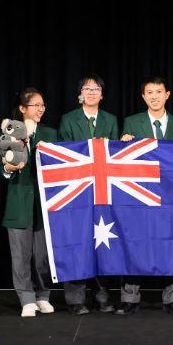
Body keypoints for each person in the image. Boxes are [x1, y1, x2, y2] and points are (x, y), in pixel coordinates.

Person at [116, 76, 173, 316]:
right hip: (140, 195)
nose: (154, 96)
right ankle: (129, 298)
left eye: (158, 91)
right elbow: (121, 162)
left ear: (167, 95)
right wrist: (123, 144)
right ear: (143, 97)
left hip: (171, 197)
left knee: (172, 243)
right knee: (134, 243)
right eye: (149, 92)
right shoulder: (131, 123)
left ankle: (172, 298)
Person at [58, 73, 119, 315]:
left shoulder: (111, 120)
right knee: (77, 241)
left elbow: (115, 153)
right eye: (87, 89)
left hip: (104, 190)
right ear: (80, 94)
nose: (92, 92)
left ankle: (102, 295)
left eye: (96, 89)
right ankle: (75, 298)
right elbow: (63, 153)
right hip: (77, 189)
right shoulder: (68, 119)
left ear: (102, 95)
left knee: (104, 243)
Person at [0, 88, 57, 317]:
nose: (41, 109)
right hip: (18, 204)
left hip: (44, 205)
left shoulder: (50, 134)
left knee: (42, 255)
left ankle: (43, 295)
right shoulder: (9, 133)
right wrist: (6, 168)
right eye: (36, 105)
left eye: (43, 105)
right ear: (22, 108)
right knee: (20, 255)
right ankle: (26, 298)